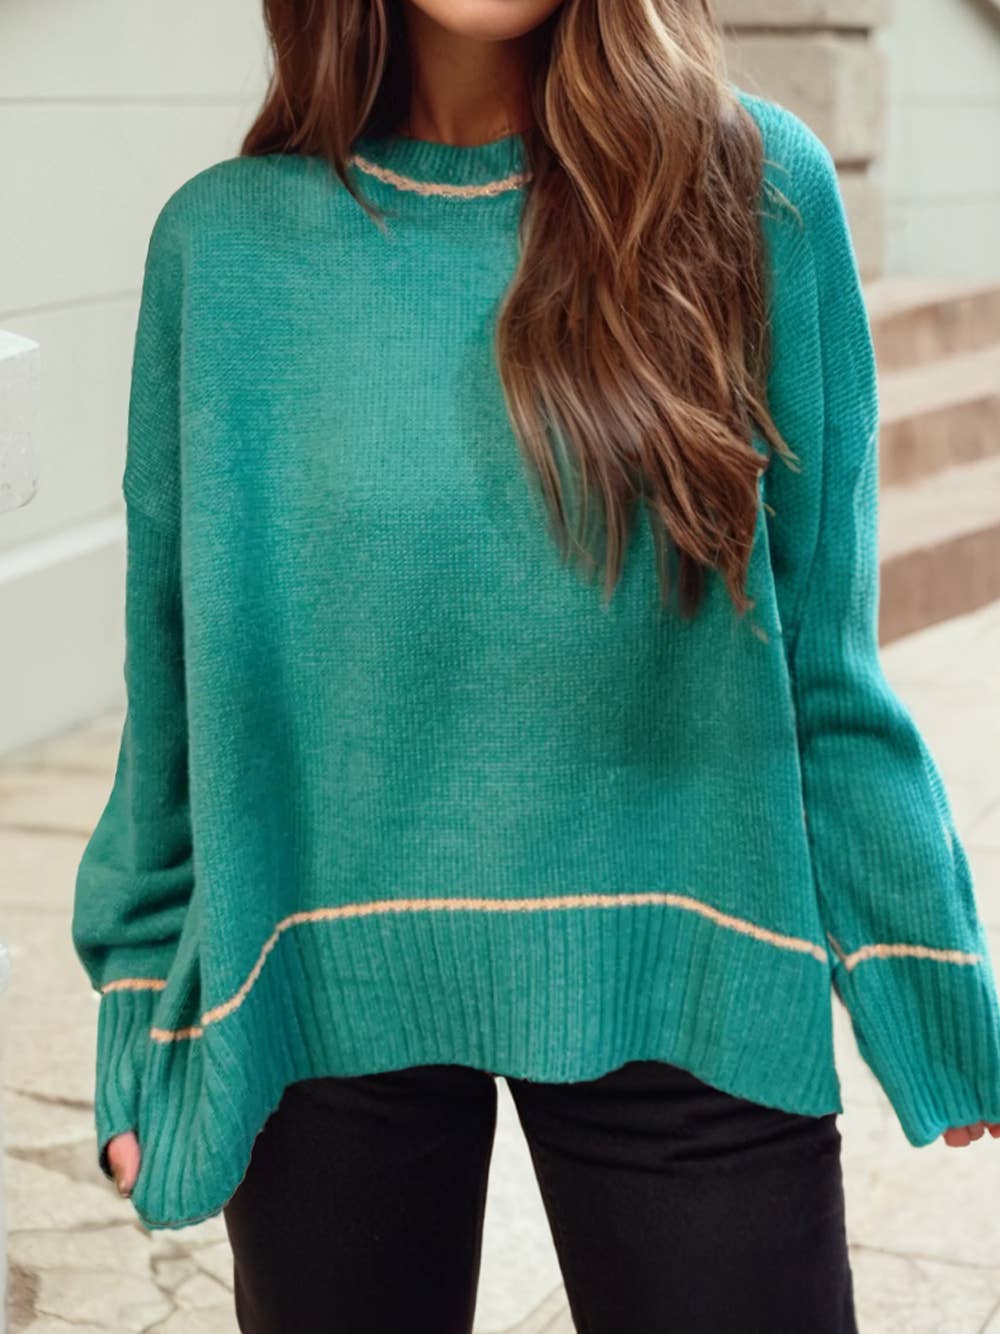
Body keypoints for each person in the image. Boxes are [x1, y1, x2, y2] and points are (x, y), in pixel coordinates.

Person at [71, 0, 1000, 1330]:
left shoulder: (756, 193)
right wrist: (138, 997)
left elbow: (825, 660)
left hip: (693, 978)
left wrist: (920, 959)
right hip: (314, 1005)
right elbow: (177, 694)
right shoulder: (222, 251)